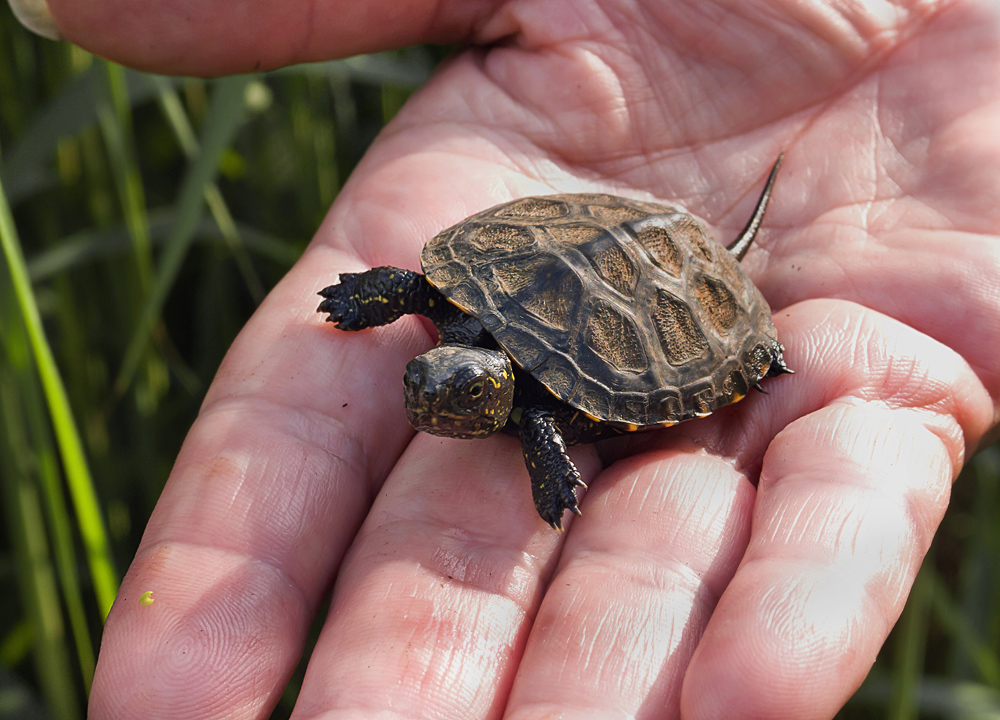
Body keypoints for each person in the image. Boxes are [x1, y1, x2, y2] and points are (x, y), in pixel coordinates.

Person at [18, 0, 1000, 717]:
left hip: (658, 296)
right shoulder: (445, 301)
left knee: (552, 413)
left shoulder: (530, 408)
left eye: (446, 389)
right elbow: (417, 283)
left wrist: (731, 364)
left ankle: (748, 339)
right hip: (567, 253)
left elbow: (537, 408)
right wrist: (374, 297)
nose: (433, 394)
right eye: (431, 387)